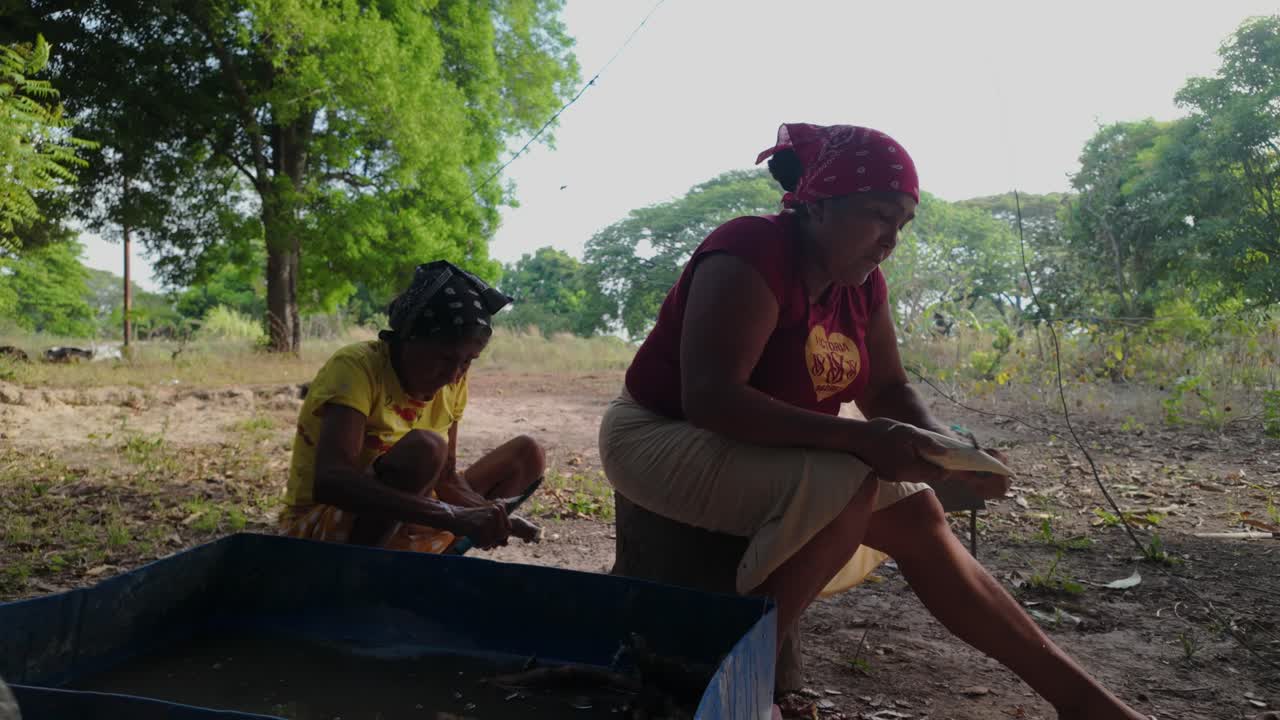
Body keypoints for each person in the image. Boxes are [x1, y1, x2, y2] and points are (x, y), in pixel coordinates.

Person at [600, 124, 1145, 719]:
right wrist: (862, 438)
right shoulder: (751, 250)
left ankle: (1084, 704)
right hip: (657, 434)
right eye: (878, 214)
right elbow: (711, 398)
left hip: (748, 443)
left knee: (918, 512)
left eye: (903, 223)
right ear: (820, 204)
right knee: (846, 482)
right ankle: (728, 681)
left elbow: (888, 390)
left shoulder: (862, 286)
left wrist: (948, 448)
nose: (891, 238)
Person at [281, 260, 544, 554]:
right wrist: (453, 516)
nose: (453, 375)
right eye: (444, 358)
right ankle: (362, 578)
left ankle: (431, 563)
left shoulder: (454, 381)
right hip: (324, 533)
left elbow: (446, 479)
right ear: (408, 339)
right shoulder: (357, 368)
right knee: (426, 448)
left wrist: (488, 515)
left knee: (527, 454)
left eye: (468, 361)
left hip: (406, 515)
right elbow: (332, 482)